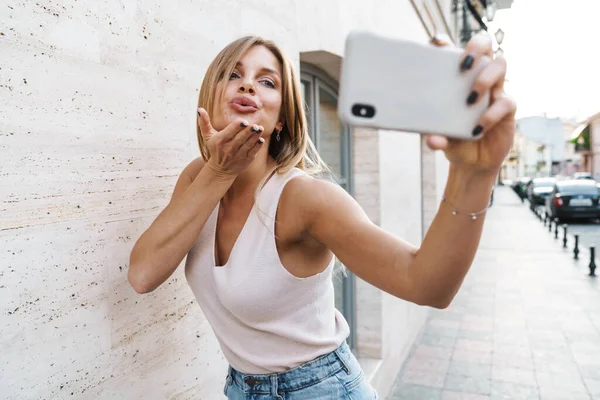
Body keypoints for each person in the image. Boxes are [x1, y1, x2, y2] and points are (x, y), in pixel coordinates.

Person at [128, 34, 515, 399]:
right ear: (210, 97)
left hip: (321, 388)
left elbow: (427, 284)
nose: (247, 86)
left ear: (281, 118)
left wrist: (475, 175)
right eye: (233, 75)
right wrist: (219, 171)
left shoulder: (304, 197)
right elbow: (143, 274)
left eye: (267, 82)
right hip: (240, 387)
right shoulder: (198, 178)